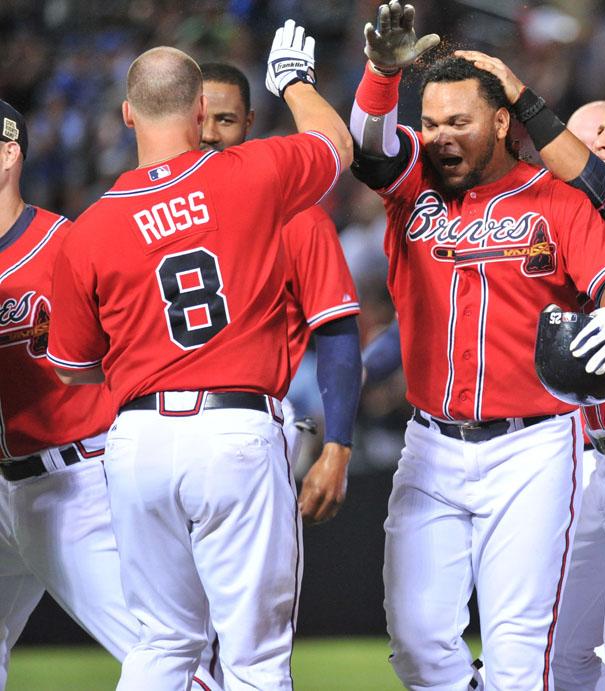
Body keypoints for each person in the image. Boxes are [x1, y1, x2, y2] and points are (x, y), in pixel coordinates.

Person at [47, 21, 352, 690]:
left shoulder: (89, 227)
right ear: (196, 111)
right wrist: (295, 81)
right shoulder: (252, 171)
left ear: (127, 113)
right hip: (233, 429)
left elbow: (71, 365)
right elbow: (337, 144)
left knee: (161, 643)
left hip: (137, 439)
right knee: (254, 655)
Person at [350, 2, 605, 689]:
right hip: (429, 444)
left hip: (534, 447)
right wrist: (377, 75)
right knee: (420, 646)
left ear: (503, 122)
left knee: (519, 652)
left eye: (459, 122)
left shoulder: (559, 199)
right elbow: (370, 147)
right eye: (430, 123)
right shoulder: (412, 187)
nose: (441, 138)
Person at [457, 51, 605, 690]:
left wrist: (522, 96)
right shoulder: (581, 235)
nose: (603, 141)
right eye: (597, 134)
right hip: (597, 461)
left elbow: (591, 183)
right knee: (562, 657)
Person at [0, 100, 222, 691]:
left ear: (9, 152)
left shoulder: (62, 244)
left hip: (75, 483)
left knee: (161, 658)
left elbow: (130, 349)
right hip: (6, 488)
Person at [200, 62, 362, 525]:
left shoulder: (297, 215)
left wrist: (338, 445)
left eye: (225, 120)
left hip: (250, 427)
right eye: (201, 119)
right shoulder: (145, 211)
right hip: (156, 434)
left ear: (249, 124)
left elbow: (336, 329)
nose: (210, 134)